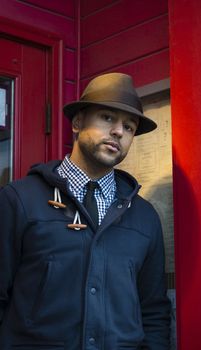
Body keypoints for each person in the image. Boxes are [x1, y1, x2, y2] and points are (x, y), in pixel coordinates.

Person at [0, 73, 171, 349]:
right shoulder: (19, 200)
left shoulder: (145, 217)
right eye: (107, 118)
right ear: (77, 122)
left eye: (129, 127)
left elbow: (154, 312)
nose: (118, 132)